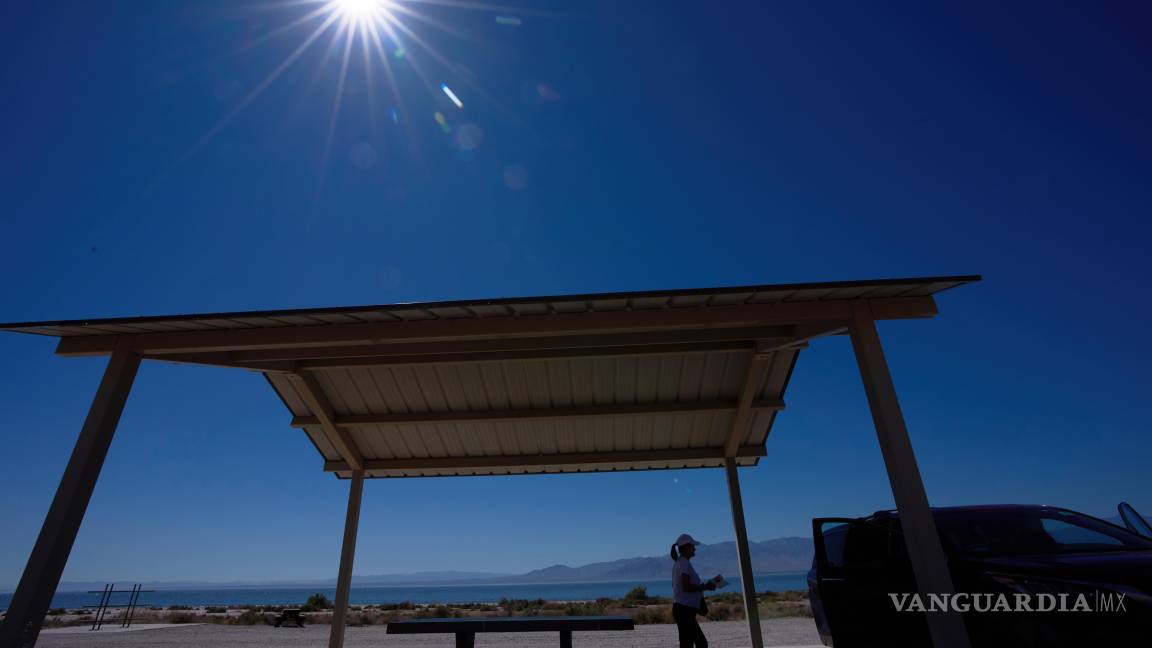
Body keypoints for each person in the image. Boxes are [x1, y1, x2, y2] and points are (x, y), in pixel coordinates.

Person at [671, 533, 716, 648]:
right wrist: (704, 587)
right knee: (701, 643)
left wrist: (703, 587)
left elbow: (680, 586)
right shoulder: (684, 563)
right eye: (693, 546)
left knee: (687, 644)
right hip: (684, 611)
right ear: (687, 547)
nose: (695, 548)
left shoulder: (680, 563)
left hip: (682, 610)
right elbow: (685, 586)